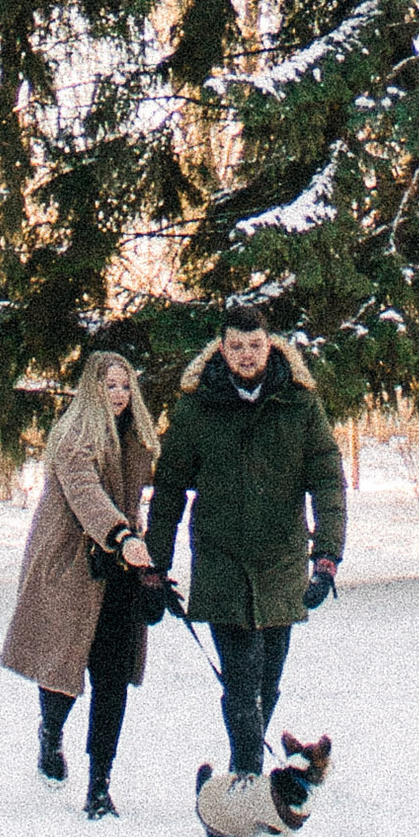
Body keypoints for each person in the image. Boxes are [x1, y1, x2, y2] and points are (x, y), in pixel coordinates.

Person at [145, 319, 346, 780]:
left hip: (281, 562)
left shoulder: (300, 404)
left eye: (255, 345)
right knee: (241, 679)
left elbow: (328, 484)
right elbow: (170, 490)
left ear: (270, 346)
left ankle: (247, 771)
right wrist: (155, 568)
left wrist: (327, 558)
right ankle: (245, 775)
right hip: (221, 562)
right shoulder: (197, 407)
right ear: (222, 348)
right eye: (236, 346)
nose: (247, 355)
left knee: (268, 682)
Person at [0, 351, 161, 819]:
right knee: (62, 669)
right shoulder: (73, 437)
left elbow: (157, 485)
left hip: (119, 571)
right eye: (109, 386)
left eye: (125, 386)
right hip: (71, 564)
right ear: (92, 390)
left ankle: (100, 784)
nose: (118, 395)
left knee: (112, 676)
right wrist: (122, 535)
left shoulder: (138, 438)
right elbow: (85, 492)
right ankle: (51, 735)